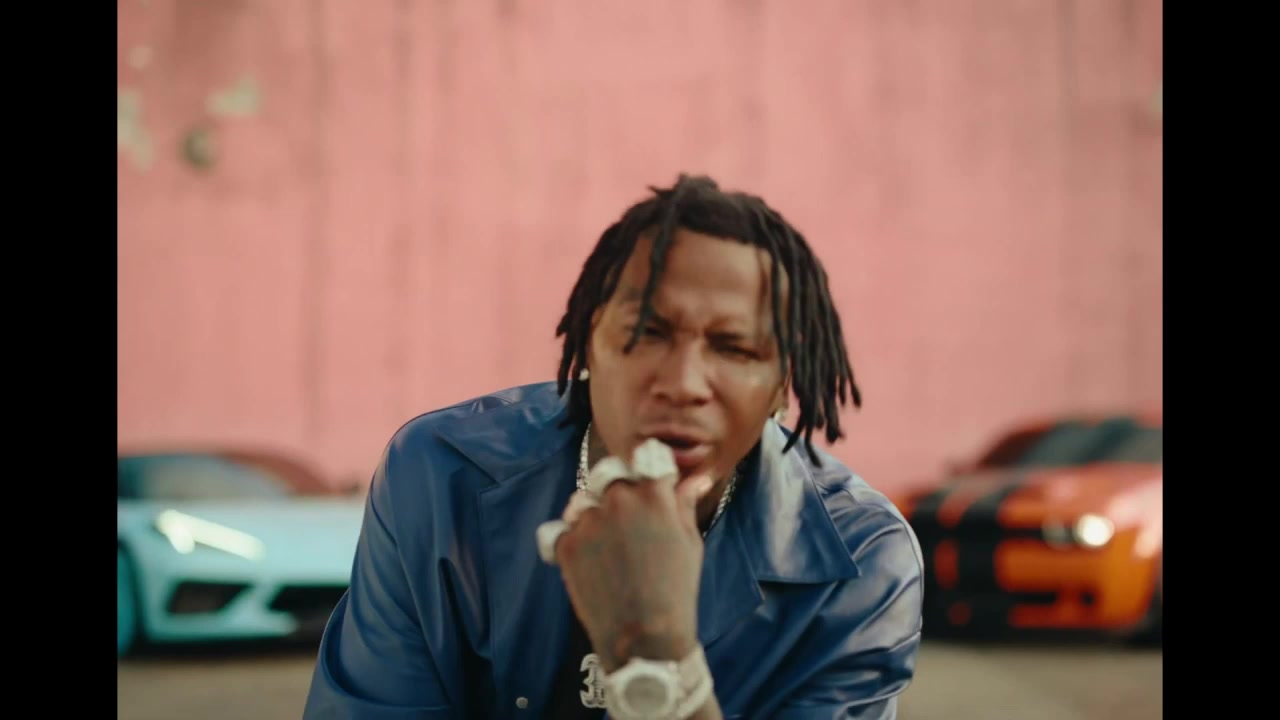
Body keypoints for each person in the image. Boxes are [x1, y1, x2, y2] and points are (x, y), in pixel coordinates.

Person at [303, 174, 924, 720]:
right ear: (586, 344)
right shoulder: (440, 478)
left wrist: (658, 657)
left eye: (735, 348)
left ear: (780, 388)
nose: (683, 383)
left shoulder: (862, 560)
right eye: (646, 332)